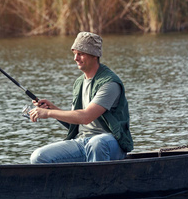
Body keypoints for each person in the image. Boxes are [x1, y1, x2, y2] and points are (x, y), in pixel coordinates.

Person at [28, 32, 133, 163]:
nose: (75, 58)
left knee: (97, 143)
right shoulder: (79, 82)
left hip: (111, 143)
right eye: (74, 54)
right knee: (38, 157)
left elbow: (86, 117)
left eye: (81, 54)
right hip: (82, 141)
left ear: (95, 55)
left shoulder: (109, 83)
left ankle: (99, 182)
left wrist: (48, 113)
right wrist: (53, 109)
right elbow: (76, 119)